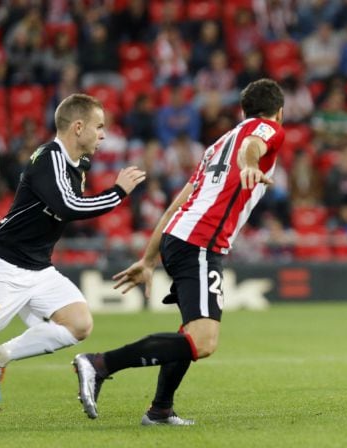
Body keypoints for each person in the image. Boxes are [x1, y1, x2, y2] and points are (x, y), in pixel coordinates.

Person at [72, 78, 286, 425]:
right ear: (279, 111)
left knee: (189, 331)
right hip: (200, 241)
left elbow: (178, 203)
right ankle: (100, 364)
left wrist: (149, 257)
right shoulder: (266, 129)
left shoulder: (216, 146)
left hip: (179, 236)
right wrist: (250, 164)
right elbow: (252, 145)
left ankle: (160, 409)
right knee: (204, 340)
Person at [0, 94, 146, 404]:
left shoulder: (78, 165)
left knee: (79, 323)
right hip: (4, 260)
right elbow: (67, 206)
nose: (103, 134)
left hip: (38, 267)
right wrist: (119, 191)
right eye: (99, 126)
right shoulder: (49, 157)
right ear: (78, 127)